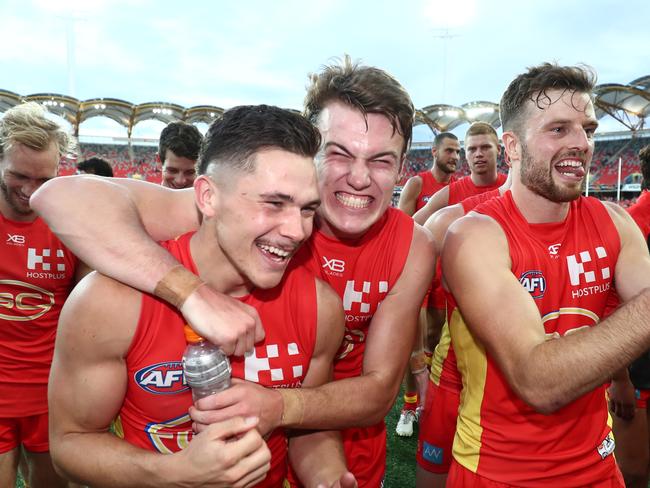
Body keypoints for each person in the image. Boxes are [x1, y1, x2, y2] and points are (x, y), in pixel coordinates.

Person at [32, 56, 435, 486]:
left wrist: (319, 465)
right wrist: (192, 294)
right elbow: (58, 196)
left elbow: (365, 399)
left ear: (400, 166)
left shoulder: (343, 291)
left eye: (380, 161)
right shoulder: (119, 293)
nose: (295, 230)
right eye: (339, 154)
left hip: (333, 438)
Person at [48, 104, 356, 488]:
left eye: (308, 209)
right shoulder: (111, 300)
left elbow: (305, 428)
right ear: (208, 197)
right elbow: (70, 444)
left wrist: (326, 477)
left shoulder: (320, 307)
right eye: (274, 203)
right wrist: (175, 475)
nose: (297, 231)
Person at [440, 63, 650, 486]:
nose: (582, 144)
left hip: (599, 466)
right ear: (513, 147)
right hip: (498, 472)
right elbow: (539, 382)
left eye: (587, 130)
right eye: (559, 130)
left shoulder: (615, 222)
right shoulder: (473, 235)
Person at [0, 102, 88, 488]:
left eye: (44, 180)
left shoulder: (72, 225)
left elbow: (88, 309)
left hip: (51, 394)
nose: (31, 191)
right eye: (19, 176)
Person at [416, 168, 511, 487]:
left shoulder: (603, 223)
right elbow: (403, 242)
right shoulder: (453, 218)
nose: (579, 142)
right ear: (512, 146)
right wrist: (417, 365)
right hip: (456, 372)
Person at [394, 131, 460, 437]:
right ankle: (408, 407)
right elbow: (400, 226)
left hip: (444, 273)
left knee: (436, 339)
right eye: (449, 151)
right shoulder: (418, 183)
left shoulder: (458, 189)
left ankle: (428, 403)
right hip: (420, 271)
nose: (455, 157)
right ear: (434, 152)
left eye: (457, 152)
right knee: (414, 344)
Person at [609, 144, 650, 488]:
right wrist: (619, 378)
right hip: (639, 370)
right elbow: (613, 308)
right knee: (634, 472)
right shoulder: (633, 223)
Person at [413, 121, 507, 225]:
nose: (478, 154)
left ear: (498, 149)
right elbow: (409, 228)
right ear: (465, 153)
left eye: (485, 147)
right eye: (472, 149)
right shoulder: (447, 195)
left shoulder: (513, 187)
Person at [158, 121, 203, 189]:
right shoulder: (142, 199)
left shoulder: (209, 199)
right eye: (172, 170)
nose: (180, 181)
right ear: (159, 162)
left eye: (190, 172)